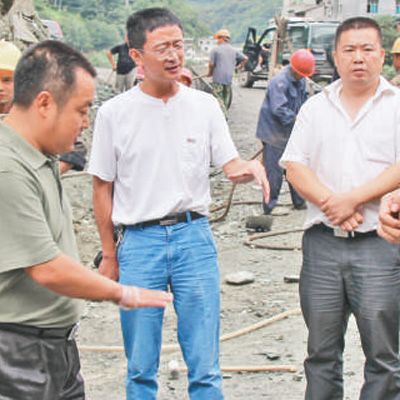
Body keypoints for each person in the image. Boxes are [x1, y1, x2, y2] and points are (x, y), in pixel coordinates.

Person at [88, 7, 269, 400]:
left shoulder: (204, 105)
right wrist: (109, 254)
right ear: (136, 55)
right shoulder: (114, 114)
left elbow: (230, 163)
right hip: (139, 243)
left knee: (205, 365)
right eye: (162, 48)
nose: (173, 56)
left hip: (193, 238)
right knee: (140, 365)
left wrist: (250, 169)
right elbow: (101, 187)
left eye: (178, 45)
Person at [0, 40, 172, 400]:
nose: (86, 123)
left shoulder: (39, 157)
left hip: (53, 347)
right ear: (44, 104)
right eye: (81, 110)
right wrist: (122, 292)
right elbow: (46, 268)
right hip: (18, 353)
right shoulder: (8, 169)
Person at [281, 17, 400, 399]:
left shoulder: (397, 106)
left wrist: (354, 198)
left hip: (381, 245)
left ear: (382, 55)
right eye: (349, 50)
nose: (358, 58)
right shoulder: (315, 107)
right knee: (321, 352)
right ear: (335, 56)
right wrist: (333, 203)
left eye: (367, 49)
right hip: (323, 244)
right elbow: (295, 165)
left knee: (383, 354)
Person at [0, 40, 87, 174]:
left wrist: (46, 174)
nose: (0, 87)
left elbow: (76, 147)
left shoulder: (35, 112)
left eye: (7, 80)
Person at [256, 49, 314, 214]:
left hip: (290, 131)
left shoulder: (300, 80)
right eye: (301, 73)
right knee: (274, 172)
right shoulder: (280, 82)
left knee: (295, 166)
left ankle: (299, 201)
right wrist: (297, 119)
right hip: (273, 133)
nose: (303, 77)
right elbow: (278, 109)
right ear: (295, 69)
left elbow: (304, 101)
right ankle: (269, 207)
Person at [207, 29, 248, 114]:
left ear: (222, 38)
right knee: (225, 99)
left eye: (218, 39)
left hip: (218, 79)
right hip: (228, 79)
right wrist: (241, 65)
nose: (217, 41)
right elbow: (245, 58)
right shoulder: (233, 50)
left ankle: (224, 115)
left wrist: (210, 73)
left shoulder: (215, 50)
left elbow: (211, 64)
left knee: (218, 98)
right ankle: (223, 115)